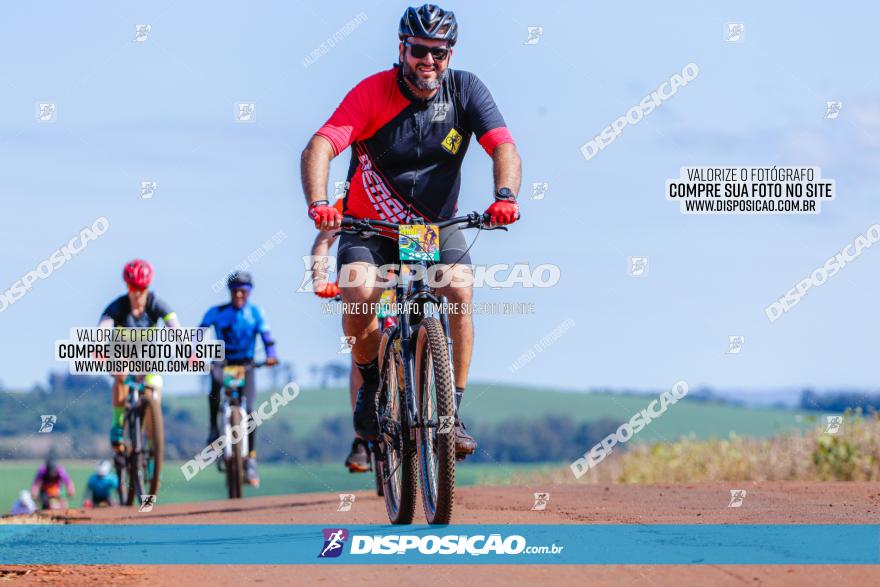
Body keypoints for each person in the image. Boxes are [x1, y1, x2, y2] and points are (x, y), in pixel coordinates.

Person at [301, 4, 521, 457]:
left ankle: (452, 412)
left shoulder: (466, 90)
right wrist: (320, 204)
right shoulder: (373, 92)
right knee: (359, 293)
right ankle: (372, 384)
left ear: (449, 54)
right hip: (371, 228)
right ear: (402, 49)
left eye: (438, 53)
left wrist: (505, 195)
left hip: (433, 228)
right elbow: (320, 145)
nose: (428, 62)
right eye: (419, 51)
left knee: (459, 293)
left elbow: (504, 147)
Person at [200, 271, 278, 488]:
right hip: (222, 363)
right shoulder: (217, 312)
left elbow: (267, 337)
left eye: (244, 291)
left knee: (251, 410)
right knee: (214, 384)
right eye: (235, 291)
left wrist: (271, 356)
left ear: (250, 292)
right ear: (230, 292)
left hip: (247, 364)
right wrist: (193, 353)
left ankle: (250, 458)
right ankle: (213, 429)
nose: (239, 295)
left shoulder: (256, 313)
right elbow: (200, 333)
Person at [310, 203, 370, 472]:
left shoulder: (415, 190)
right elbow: (324, 239)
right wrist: (320, 280)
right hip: (365, 286)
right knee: (360, 358)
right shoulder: (353, 197)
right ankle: (361, 439)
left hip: (402, 282)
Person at [98, 259, 179, 451]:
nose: (137, 292)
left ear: (148, 287)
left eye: (142, 288)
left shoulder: (156, 304)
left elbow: (176, 329)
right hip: (121, 352)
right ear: (127, 286)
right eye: (133, 287)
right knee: (121, 374)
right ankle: (118, 425)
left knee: (153, 395)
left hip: (147, 355)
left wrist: (189, 352)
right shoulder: (118, 306)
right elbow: (102, 328)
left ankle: (152, 448)